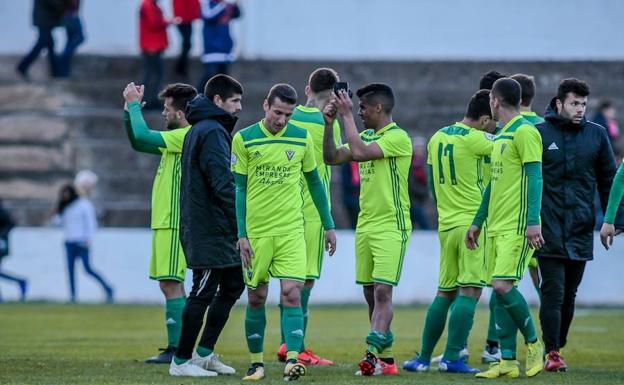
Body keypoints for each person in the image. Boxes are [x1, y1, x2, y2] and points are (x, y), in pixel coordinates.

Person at [232, 84, 337, 381]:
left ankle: (292, 360)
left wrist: (328, 224)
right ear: (266, 105)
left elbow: (315, 183)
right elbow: (239, 188)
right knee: (256, 297)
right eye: (278, 112)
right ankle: (256, 364)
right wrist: (242, 233)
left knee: (292, 294)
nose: (282, 120)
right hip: (257, 233)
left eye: (288, 115)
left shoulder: (301, 137)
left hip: (292, 231)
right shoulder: (244, 139)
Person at [404, 90, 496, 374]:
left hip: (446, 224)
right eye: (492, 122)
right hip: (472, 227)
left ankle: (423, 358)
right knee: (470, 291)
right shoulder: (480, 140)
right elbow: (508, 153)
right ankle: (452, 357)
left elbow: (431, 182)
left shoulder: (437, 137)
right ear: (483, 119)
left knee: (445, 292)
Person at [323, 84, 412, 377]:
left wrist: (346, 115)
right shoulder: (365, 136)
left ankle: (371, 354)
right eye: (356, 108)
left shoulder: (398, 137)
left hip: (391, 226)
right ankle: (386, 361)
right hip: (366, 225)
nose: (359, 112)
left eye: (362, 107)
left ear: (378, 108)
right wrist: (329, 123)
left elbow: (359, 154)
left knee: (384, 293)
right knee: (370, 294)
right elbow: (332, 157)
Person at [536, 78, 624, 372]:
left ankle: (555, 346)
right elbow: (527, 182)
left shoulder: (597, 135)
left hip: (580, 227)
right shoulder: (538, 133)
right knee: (554, 291)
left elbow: (609, 181)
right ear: (559, 103)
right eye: (574, 103)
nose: (579, 109)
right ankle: (551, 352)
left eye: (584, 104)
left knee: (570, 295)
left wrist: (613, 220)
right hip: (547, 228)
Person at [164, 75, 245, 377]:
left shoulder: (206, 128)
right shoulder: (211, 131)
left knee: (234, 284)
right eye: (235, 101)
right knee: (202, 290)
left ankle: (204, 353)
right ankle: (181, 361)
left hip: (216, 226)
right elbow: (221, 182)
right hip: (209, 227)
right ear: (218, 101)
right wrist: (241, 225)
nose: (239, 107)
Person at [465, 78, 544, 379]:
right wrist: (477, 220)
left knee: (502, 285)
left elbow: (535, 178)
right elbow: (493, 185)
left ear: (495, 102)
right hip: (495, 226)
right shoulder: (500, 135)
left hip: (518, 225)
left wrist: (533, 222)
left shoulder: (526, 132)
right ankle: (507, 360)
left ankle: (535, 344)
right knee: (498, 294)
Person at [123, 82, 197, 364]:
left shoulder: (184, 135)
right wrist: (128, 113)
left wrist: (133, 106)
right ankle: (178, 346)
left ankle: (177, 348)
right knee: (172, 284)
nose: (164, 114)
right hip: (167, 221)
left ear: (180, 112)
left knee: (170, 282)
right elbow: (138, 141)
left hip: (174, 221)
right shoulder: (175, 137)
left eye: (167, 109)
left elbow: (143, 134)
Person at [274, 68, 340, 366]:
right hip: (313, 211)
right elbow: (333, 157)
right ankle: (295, 345)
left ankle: (287, 341)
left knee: (288, 282)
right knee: (306, 282)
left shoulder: (287, 117)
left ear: (306, 89)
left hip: (285, 208)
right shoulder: (327, 122)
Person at [53, 174, 114, 303]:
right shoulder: (66, 207)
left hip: (81, 242)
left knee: (87, 269)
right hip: (69, 242)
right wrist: (59, 209)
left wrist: (88, 239)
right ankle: (73, 297)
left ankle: (108, 288)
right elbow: (57, 222)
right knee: (70, 270)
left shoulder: (84, 204)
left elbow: (91, 224)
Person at [198, 0, 241, 92]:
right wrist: (223, 6)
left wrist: (235, 4)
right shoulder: (208, 5)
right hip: (212, 50)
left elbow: (237, 14)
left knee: (224, 79)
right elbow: (208, 16)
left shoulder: (224, 5)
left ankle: (221, 102)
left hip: (225, 49)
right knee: (209, 76)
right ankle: (198, 99)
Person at [16, 0, 66, 79]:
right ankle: (22, 66)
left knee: (49, 45)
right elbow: (51, 3)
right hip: (44, 20)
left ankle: (55, 72)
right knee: (42, 43)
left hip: (44, 19)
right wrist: (63, 5)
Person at [139, 0, 171, 109]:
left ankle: (152, 100)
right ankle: (146, 101)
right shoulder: (147, 5)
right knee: (151, 75)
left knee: (156, 74)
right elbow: (153, 23)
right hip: (151, 45)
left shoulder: (152, 5)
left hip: (155, 45)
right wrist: (167, 22)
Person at [0, 199, 28, 302]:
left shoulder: (2, 212)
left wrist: (1, 236)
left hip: (1, 245)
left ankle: (20, 281)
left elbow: (10, 225)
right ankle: (20, 281)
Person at [56, 0, 85, 78]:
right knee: (80, 38)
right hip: (71, 15)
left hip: (69, 14)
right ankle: (63, 60)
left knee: (70, 41)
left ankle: (64, 71)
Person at [408, 136, 431, 230]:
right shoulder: (411, 163)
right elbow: (411, 184)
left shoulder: (422, 163)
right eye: (418, 147)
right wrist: (425, 192)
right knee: (425, 226)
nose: (420, 149)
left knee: (412, 226)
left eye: (422, 147)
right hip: (413, 200)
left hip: (419, 200)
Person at [172, 0, 200, 77]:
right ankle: (180, 68)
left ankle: (181, 68)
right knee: (187, 44)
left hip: (187, 20)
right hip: (183, 21)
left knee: (187, 44)